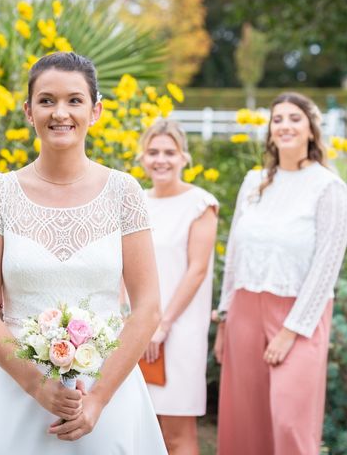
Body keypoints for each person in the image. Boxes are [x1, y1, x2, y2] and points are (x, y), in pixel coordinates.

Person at [0, 52, 168, 454]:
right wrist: (36, 386)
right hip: (17, 395)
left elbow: (147, 307)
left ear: (95, 111)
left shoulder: (124, 193)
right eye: (46, 100)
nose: (61, 113)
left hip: (107, 394)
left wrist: (97, 400)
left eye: (74, 100)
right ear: (28, 110)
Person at [213, 92, 347, 455]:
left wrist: (289, 332)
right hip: (244, 309)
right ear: (270, 132)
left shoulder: (330, 188)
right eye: (278, 119)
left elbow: (326, 268)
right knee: (244, 419)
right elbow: (235, 256)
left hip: (300, 315)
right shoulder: (253, 181)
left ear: (311, 129)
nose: (285, 125)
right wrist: (225, 319)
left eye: (295, 118)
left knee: (291, 422)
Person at [139, 119, 218, 454]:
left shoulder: (200, 205)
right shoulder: (137, 202)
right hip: (139, 329)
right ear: (142, 157)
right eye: (153, 152)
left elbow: (196, 271)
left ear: (184, 157)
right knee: (143, 429)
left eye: (169, 152)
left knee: (177, 433)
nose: (161, 159)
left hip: (179, 331)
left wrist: (163, 324)